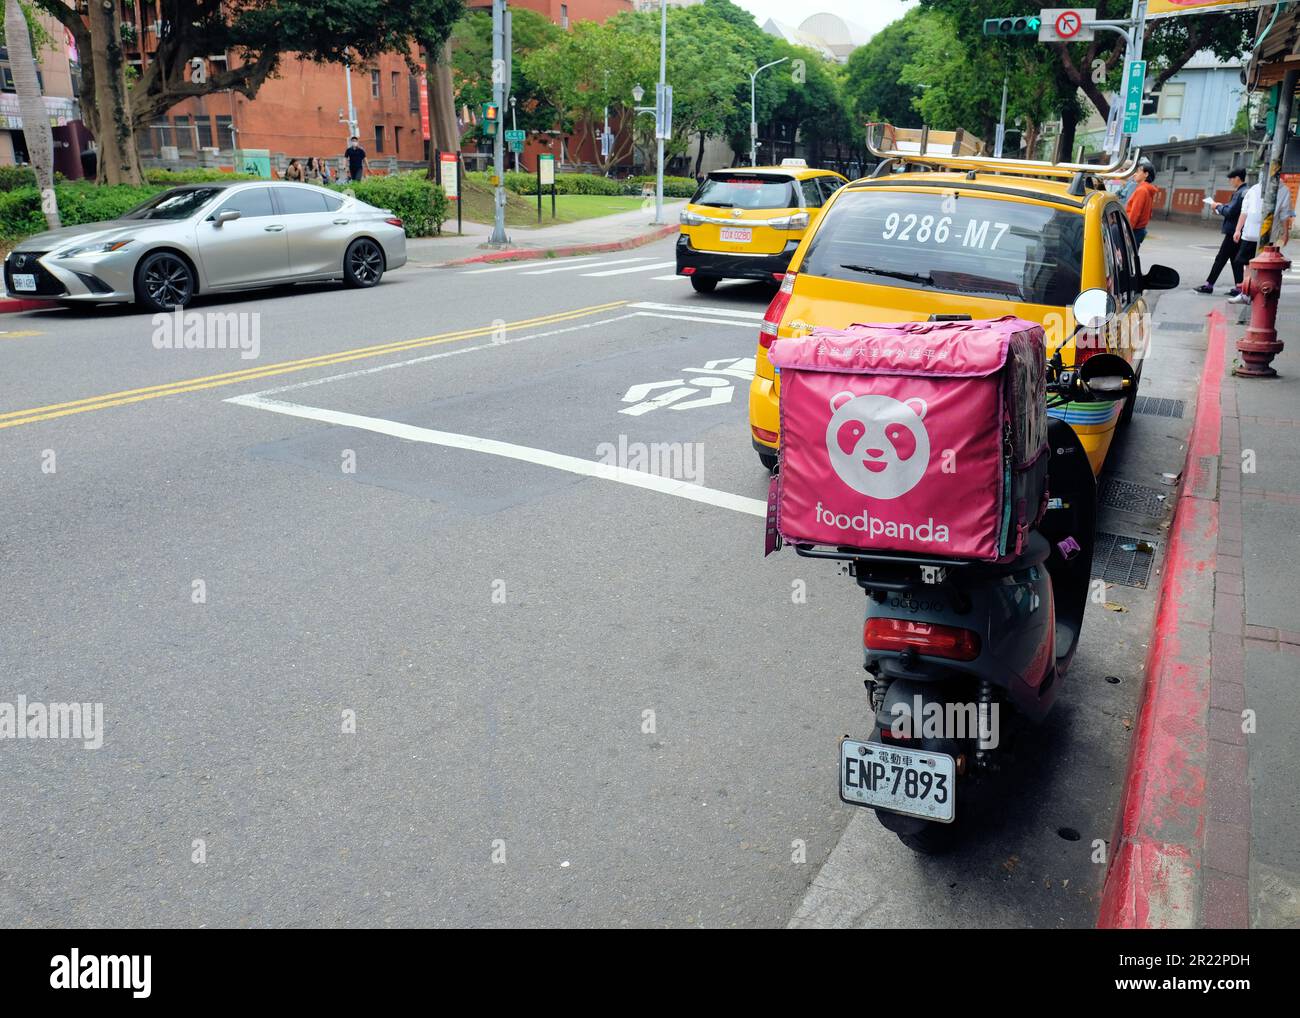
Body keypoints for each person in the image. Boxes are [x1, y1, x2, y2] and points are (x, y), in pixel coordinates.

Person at [1229, 175, 1296, 304]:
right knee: (1247, 264)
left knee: (1262, 266)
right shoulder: (1253, 189)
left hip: (1267, 236)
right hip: (1249, 234)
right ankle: (1246, 293)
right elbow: (1245, 211)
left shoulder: (1283, 190)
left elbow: (1284, 215)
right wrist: (1238, 229)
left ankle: (1257, 293)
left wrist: (1285, 234)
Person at [1194, 167, 1248, 295]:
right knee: (1236, 261)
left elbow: (1230, 212)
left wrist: (1217, 206)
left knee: (1221, 259)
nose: (1230, 182)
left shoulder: (1240, 193)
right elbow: (1232, 208)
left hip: (1233, 232)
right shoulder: (1244, 191)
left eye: (1231, 179)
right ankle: (1239, 288)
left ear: (1237, 178)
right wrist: (1220, 206)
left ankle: (1209, 285)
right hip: (1238, 231)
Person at [1125, 162, 1158, 248]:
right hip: (1139, 229)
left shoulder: (1142, 190)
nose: (1135, 174)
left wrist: (1127, 231)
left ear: (1146, 174)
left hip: (1134, 230)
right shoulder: (1147, 189)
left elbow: (1135, 213)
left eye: (1139, 171)